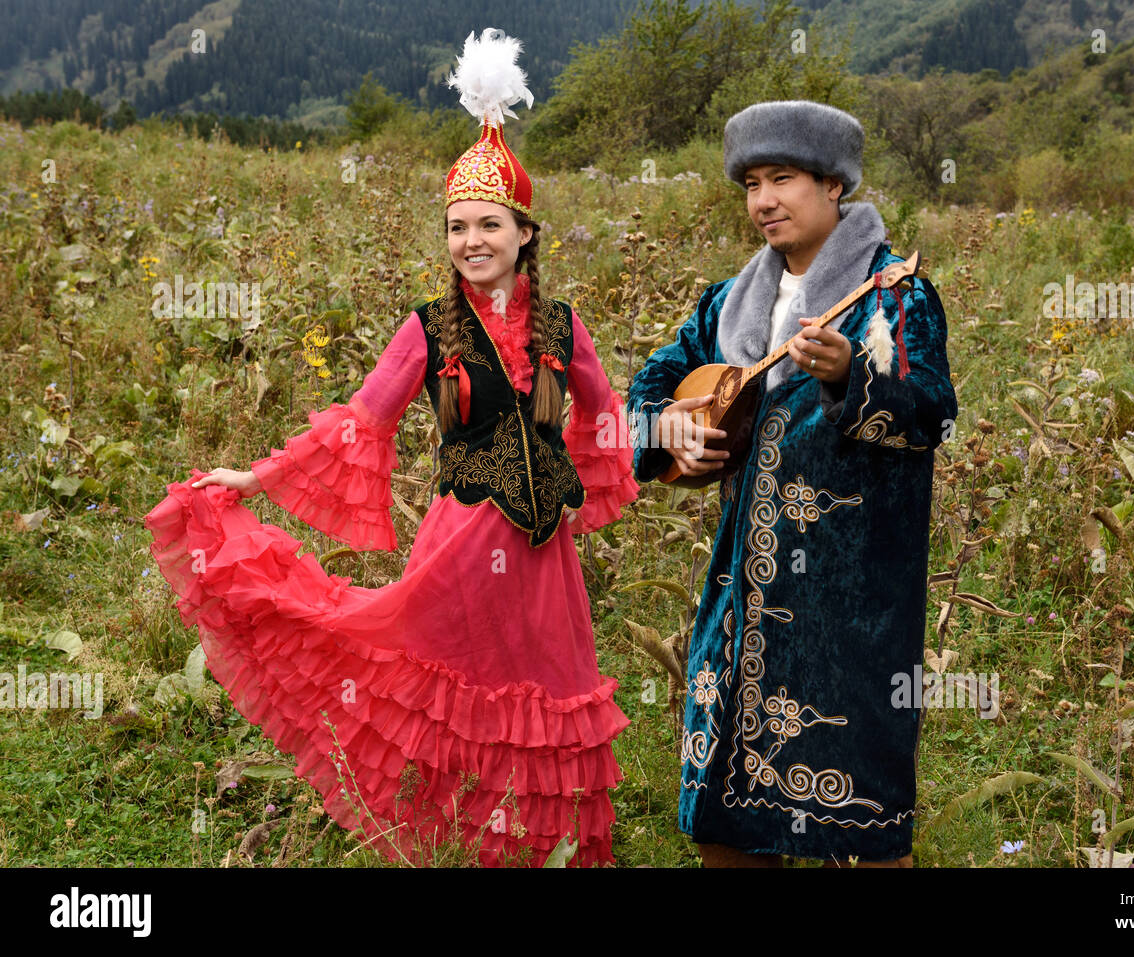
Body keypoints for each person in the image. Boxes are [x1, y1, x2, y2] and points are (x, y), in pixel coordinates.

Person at [144, 28, 639, 867]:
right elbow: (361, 421)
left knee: (546, 696)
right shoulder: (430, 327)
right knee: (446, 690)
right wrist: (256, 475)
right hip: (461, 543)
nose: (471, 240)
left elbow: (609, 416)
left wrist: (683, 440)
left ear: (526, 233)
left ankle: (542, 846)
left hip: (546, 562)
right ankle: (460, 842)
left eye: (488, 224)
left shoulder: (562, 326)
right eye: (456, 227)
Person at [627, 100, 959, 867]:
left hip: (853, 609)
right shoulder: (727, 303)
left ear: (834, 185)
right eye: (750, 183)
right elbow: (644, 396)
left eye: (783, 179)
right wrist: (669, 432)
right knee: (722, 821)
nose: (764, 200)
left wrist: (853, 377)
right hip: (742, 598)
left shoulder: (893, 295)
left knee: (862, 828)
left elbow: (933, 415)